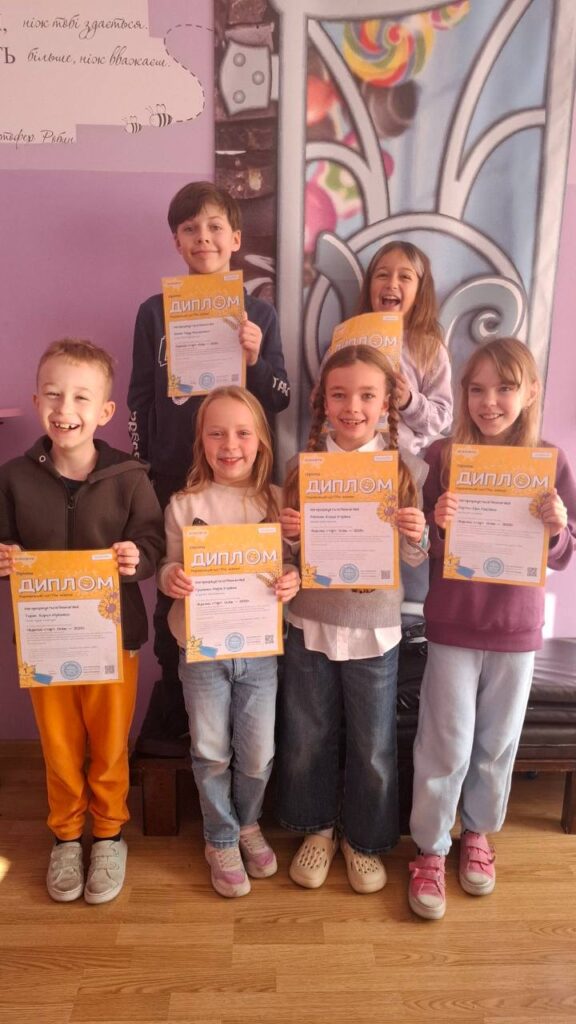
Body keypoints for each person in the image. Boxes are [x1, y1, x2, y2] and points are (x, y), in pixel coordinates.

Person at [408, 337, 576, 920]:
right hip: (453, 624)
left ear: (529, 392)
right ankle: (431, 847)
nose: (489, 401)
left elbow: (564, 553)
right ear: (463, 394)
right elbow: (420, 546)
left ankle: (477, 833)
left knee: (497, 742)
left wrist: (556, 527)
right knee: (444, 742)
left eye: (504, 388)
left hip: (515, 628)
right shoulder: (442, 457)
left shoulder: (549, 461)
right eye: (477, 389)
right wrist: (435, 523)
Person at [128, 181, 291, 753]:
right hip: (175, 478)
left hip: (244, 482)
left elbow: (280, 397)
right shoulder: (153, 312)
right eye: (190, 229)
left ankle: (245, 720)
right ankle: (181, 710)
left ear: (236, 239)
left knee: (246, 588)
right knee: (176, 596)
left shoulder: (259, 313)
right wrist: (145, 466)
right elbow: (139, 399)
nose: (204, 238)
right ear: (176, 241)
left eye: (215, 227)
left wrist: (255, 358)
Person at [0, 339, 164, 904]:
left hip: (114, 639)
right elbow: (5, 542)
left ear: (105, 411)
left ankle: (110, 833)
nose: (64, 408)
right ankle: (67, 836)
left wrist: (137, 558)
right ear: (36, 401)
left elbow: (153, 542)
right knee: (60, 744)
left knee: (110, 743)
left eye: (80, 397)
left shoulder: (130, 477)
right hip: (44, 641)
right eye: (52, 394)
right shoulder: (13, 478)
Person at [277, 345, 428, 893]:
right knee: (307, 735)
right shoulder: (302, 468)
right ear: (323, 401)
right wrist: (292, 537)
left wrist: (416, 535)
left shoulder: (406, 470)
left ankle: (363, 840)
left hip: (375, 629)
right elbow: (288, 557)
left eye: (367, 395)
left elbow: (416, 560)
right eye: (339, 395)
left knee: (373, 745)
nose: (353, 407)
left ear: (386, 402)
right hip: (311, 622)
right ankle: (316, 829)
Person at [157, 386, 300, 898]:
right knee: (211, 750)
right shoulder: (184, 505)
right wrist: (170, 577)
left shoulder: (277, 501)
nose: (230, 444)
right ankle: (219, 836)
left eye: (242, 433)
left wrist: (292, 579)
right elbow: (167, 564)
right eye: (216, 433)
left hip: (260, 653)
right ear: (201, 440)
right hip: (201, 653)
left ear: (261, 440)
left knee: (258, 754)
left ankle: (248, 822)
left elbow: (291, 563)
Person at [356, 240, 452, 455]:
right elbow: (321, 407)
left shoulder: (430, 350)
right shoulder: (348, 340)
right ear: (369, 286)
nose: (391, 283)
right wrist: (321, 399)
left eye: (405, 277)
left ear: (420, 293)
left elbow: (441, 419)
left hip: (403, 463)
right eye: (382, 275)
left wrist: (409, 401)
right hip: (348, 459)